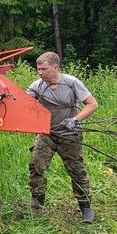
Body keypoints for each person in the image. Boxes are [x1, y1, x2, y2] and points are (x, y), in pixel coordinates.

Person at [27, 52, 99, 223]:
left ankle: (86, 207)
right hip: (47, 134)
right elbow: (23, 103)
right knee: (36, 166)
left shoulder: (71, 83)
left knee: (76, 170)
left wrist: (75, 120)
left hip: (69, 134)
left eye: (44, 69)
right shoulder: (37, 86)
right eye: (38, 69)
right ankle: (37, 204)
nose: (40, 72)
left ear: (56, 67)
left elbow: (92, 104)